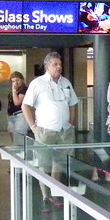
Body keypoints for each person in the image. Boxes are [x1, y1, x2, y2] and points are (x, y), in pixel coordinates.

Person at [22, 51, 79, 209]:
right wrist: (33, 127)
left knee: (60, 163)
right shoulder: (37, 83)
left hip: (65, 132)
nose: (59, 67)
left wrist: (72, 123)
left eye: (60, 64)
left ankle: (54, 193)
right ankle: (45, 196)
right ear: (47, 66)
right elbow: (25, 105)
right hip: (45, 131)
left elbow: (73, 103)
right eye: (55, 64)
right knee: (44, 165)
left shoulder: (66, 82)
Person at [7, 71, 31, 142]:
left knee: (20, 139)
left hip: (20, 115)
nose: (15, 83)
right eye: (13, 81)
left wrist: (14, 91)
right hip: (11, 116)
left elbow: (17, 102)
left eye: (17, 80)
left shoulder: (24, 89)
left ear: (22, 80)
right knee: (14, 140)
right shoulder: (15, 91)